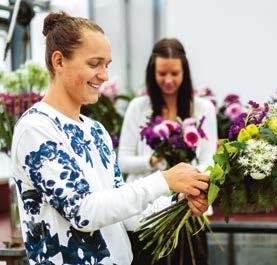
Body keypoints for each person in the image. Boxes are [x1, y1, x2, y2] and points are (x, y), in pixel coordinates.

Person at [10, 12, 210, 265]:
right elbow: (84, 212)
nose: (104, 75)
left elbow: (125, 214)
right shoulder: (36, 128)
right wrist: (164, 180)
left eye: (107, 65)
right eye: (95, 64)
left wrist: (177, 201)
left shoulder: (96, 130)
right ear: (59, 61)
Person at [118, 38, 218, 264]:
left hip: (189, 209)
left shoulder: (203, 108)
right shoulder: (138, 107)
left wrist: (188, 185)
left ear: (185, 72)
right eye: (162, 74)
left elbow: (209, 162)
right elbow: (122, 161)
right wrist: (154, 162)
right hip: (145, 213)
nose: (169, 80)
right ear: (152, 72)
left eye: (175, 73)